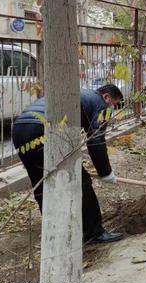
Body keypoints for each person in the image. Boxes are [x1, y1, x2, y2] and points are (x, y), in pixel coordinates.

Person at [12, 84, 125, 244]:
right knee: (81, 180)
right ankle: (94, 233)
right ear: (106, 97)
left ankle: (54, 233)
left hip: (20, 127)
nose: (113, 109)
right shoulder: (99, 104)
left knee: (42, 181)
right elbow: (96, 140)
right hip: (42, 129)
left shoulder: (83, 95)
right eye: (114, 104)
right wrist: (106, 173)